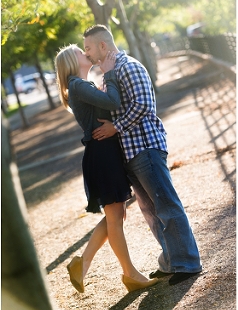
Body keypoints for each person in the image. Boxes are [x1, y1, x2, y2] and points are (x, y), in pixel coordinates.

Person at [84, 24, 203, 285]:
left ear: (103, 46)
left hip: (145, 148)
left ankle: (188, 263)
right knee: (151, 212)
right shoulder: (110, 73)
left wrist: (115, 126)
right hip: (130, 154)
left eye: (89, 48)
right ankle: (171, 261)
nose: (87, 53)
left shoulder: (129, 67)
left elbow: (144, 105)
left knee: (166, 205)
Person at [55, 45, 160, 293]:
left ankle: (82, 264)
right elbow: (113, 101)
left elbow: (106, 105)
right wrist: (110, 73)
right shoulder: (78, 84)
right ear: (73, 60)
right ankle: (130, 274)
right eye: (81, 51)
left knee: (116, 215)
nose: (86, 53)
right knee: (115, 217)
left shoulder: (81, 84)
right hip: (102, 154)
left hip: (105, 153)